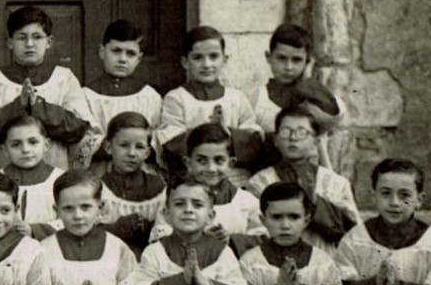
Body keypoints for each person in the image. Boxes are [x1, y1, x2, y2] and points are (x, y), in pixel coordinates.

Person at [0, 6, 90, 171]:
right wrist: (17, 106)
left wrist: (38, 106)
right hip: (3, 170)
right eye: (22, 38)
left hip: (52, 167)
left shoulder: (63, 78)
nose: (29, 44)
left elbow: (78, 128)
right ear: (10, 42)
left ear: (48, 42)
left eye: (37, 37)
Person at [245, 107, 362, 251]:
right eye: (285, 131)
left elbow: (355, 231)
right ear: (275, 140)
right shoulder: (259, 183)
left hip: (327, 259)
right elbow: (256, 230)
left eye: (302, 132)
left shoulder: (336, 183)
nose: (293, 138)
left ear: (316, 142)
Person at [157, 26, 263, 175]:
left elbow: (253, 141)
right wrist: (213, 133)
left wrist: (228, 134)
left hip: (233, 177)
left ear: (224, 60)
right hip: (193, 179)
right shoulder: (177, 98)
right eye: (198, 57)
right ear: (185, 62)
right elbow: (171, 142)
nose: (207, 64)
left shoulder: (236, 98)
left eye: (213, 56)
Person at [250, 22, 342, 170]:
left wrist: (305, 81)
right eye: (281, 58)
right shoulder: (258, 97)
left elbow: (333, 114)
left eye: (297, 60)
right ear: (268, 57)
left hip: (309, 173)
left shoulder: (312, 98)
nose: (288, 67)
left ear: (307, 61)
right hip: (268, 173)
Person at [77, 19, 163, 166]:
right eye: (116, 51)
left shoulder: (149, 96)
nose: (122, 59)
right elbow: (83, 141)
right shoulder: (86, 96)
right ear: (102, 52)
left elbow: (157, 141)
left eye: (130, 53)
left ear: (139, 58)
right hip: (101, 170)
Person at [93, 110, 166, 243]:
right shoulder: (98, 187)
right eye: (124, 145)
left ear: (147, 153)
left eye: (139, 147)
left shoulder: (157, 186)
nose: (131, 153)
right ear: (108, 147)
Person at [0, 116, 63, 239]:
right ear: (5, 150)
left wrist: (35, 230)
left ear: (46, 144)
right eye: (16, 144)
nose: (25, 150)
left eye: (33, 142)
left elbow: (69, 220)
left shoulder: (60, 179)